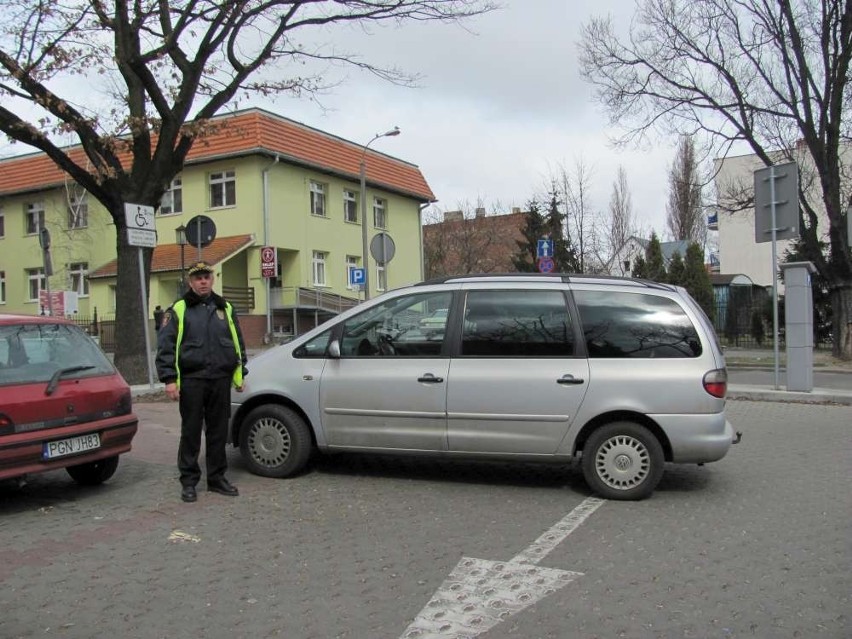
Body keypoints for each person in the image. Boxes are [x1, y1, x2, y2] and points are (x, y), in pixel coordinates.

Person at [155, 261, 248, 503]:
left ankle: (217, 478)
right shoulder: (178, 309)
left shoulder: (224, 307)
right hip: (192, 380)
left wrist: (240, 374)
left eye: (206, 276)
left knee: (218, 432)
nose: (203, 281)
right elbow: (166, 346)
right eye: (198, 278)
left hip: (219, 379)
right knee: (191, 433)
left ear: (213, 279)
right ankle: (189, 482)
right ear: (190, 282)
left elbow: (237, 341)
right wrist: (169, 379)